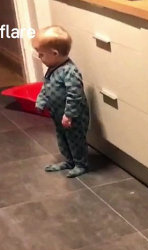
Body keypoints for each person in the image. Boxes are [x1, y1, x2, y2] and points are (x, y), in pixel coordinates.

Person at [33, 25, 90, 178]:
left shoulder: (70, 71)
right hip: (58, 115)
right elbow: (47, 87)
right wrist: (41, 100)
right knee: (62, 139)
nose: (40, 58)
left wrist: (69, 114)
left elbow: (75, 94)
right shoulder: (53, 68)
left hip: (73, 117)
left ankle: (80, 163)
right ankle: (69, 160)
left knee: (75, 140)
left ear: (54, 53)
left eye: (41, 55)